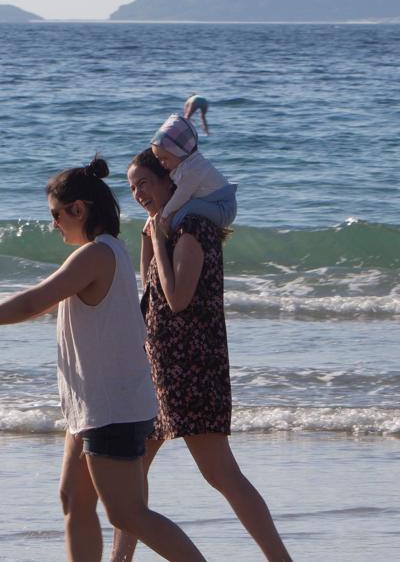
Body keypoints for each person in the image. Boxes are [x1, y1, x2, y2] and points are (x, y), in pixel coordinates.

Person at [0, 157, 206, 562]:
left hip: (111, 407)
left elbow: (32, 302)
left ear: (79, 209)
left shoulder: (95, 256)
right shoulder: (104, 251)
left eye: (56, 215)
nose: (53, 225)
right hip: (93, 405)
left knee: (128, 513)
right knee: (74, 500)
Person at [112, 148, 291, 562]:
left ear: (172, 181)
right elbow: (150, 289)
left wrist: (157, 237)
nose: (138, 194)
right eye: (132, 187)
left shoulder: (192, 228)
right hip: (159, 364)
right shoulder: (166, 225)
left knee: (221, 473)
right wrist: (149, 235)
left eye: (145, 183)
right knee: (134, 469)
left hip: (191, 366)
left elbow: (176, 300)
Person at [149, 114, 236, 231]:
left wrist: (165, 213)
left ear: (179, 151)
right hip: (216, 204)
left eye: (165, 158)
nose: (162, 163)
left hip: (224, 208)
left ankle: (169, 227)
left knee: (189, 206)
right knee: (189, 205)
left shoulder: (194, 169)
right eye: (158, 159)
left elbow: (181, 195)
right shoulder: (189, 164)